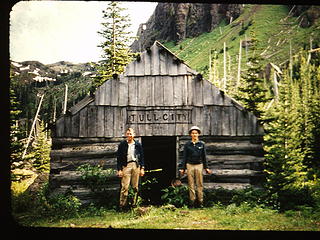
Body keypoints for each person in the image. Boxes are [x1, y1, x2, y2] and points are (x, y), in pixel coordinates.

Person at [179, 126, 212, 208]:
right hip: (189, 165)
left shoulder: (202, 144)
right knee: (191, 184)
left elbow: (204, 156)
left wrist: (206, 167)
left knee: (199, 184)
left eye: (196, 133)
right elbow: (184, 157)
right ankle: (192, 202)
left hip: (199, 165)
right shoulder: (187, 145)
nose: (194, 134)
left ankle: (200, 202)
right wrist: (183, 168)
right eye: (193, 133)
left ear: (198, 134)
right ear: (190, 134)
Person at [116, 128, 145, 210]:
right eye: (128, 134)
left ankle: (134, 204)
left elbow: (142, 157)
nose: (129, 135)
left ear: (134, 135)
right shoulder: (122, 144)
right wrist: (119, 170)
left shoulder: (137, 144)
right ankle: (122, 205)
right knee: (125, 187)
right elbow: (119, 158)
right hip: (126, 166)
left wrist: (142, 168)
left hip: (136, 165)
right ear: (126, 135)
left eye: (130, 134)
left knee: (135, 186)